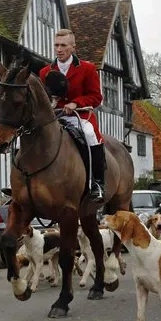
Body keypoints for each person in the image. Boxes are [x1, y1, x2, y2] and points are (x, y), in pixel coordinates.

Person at [39, 29, 106, 202]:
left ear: (73, 48)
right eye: (56, 45)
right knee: (23, 136)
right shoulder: (45, 71)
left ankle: (96, 182)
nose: (59, 49)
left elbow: (96, 97)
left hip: (78, 116)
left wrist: (75, 103)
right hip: (53, 117)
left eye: (63, 45)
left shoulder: (87, 68)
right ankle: (20, 182)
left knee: (90, 134)